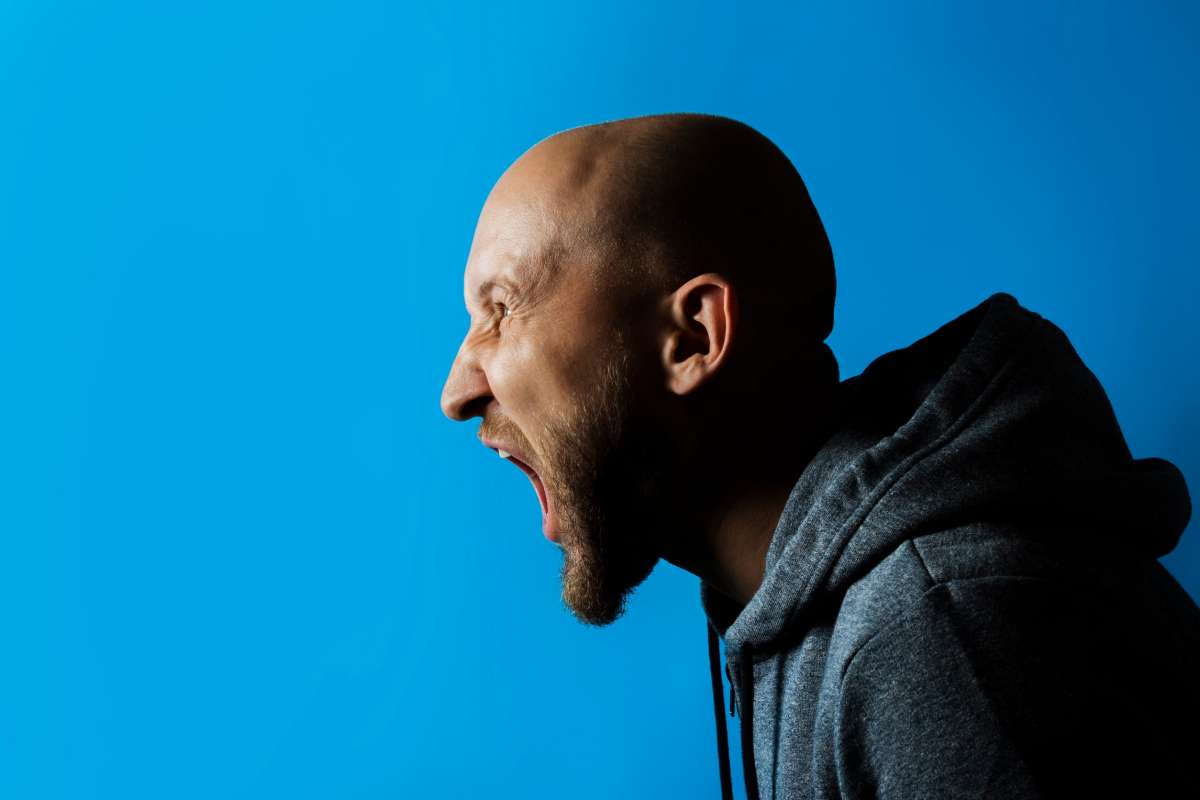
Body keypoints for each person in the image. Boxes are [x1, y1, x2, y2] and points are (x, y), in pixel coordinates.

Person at [439, 112, 1198, 799]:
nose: (457, 392)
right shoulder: (815, 616)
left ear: (694, 337)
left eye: (500, 311)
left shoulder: (937, 637)